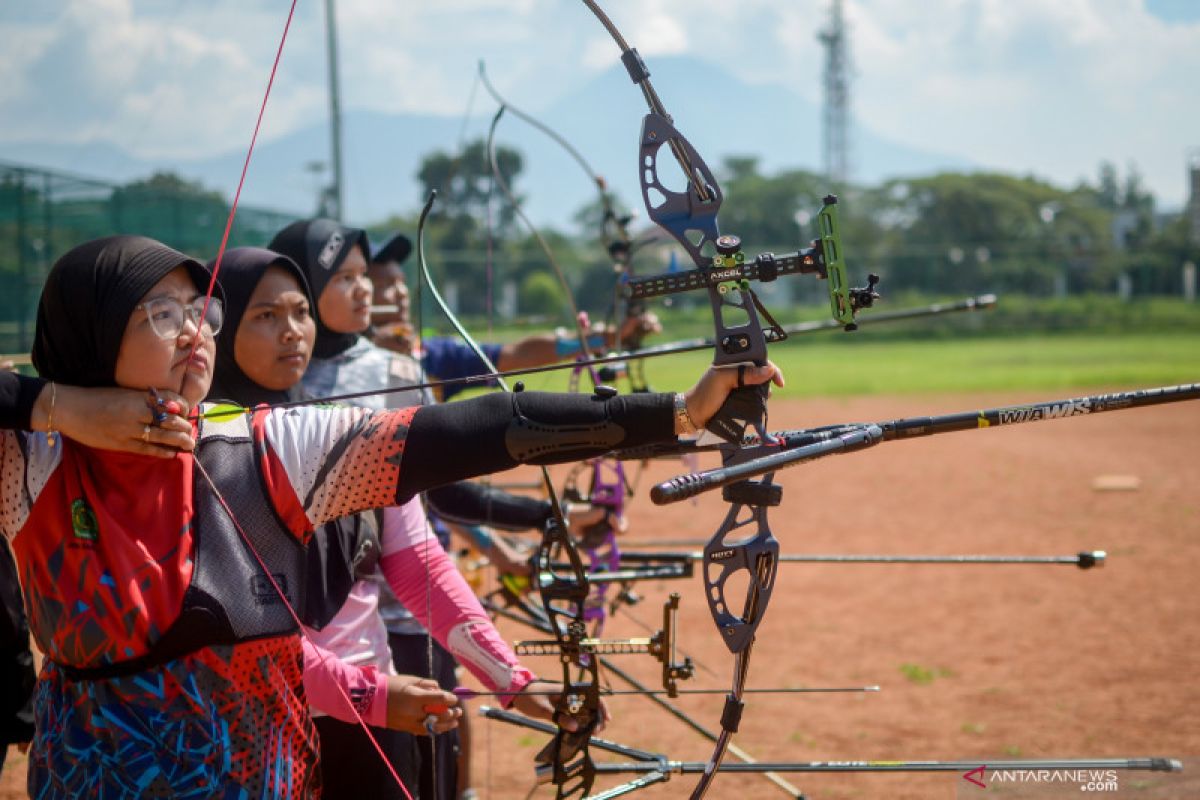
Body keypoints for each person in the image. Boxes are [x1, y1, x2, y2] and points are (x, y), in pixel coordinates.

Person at [0, 234, 779, 798]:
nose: (194, 329)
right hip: (86, 778)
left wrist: (676, 412)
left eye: (196, 308)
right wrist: (56, 406)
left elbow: (465, 433)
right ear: (93, 336)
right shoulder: (31, 465)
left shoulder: (272, 448)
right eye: (159, 313)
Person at [270, 219, 623, 799]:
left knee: (436, 762)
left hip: (382, 637)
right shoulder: (226, 407)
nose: (369, 292)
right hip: (272, 690)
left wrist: (513, 679)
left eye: (369, 277)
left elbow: (424, 511)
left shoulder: (395, 369)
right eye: (346, 278)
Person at [205, 245, 574, 798]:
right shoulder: (195, 450)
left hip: (370, 714)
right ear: (220, 327)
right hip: (253, 726)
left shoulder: (340, 430)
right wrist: (368, 696)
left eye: (300, 312)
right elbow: (239, 630)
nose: (292, 332)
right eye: (265, 316)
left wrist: (508, 679)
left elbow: (415, 559)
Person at [367, 232, 662, 400]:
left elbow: (516, 354)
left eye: (400, 284)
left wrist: (609, 336)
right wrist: (371, 349)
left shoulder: (431, 353)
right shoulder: (327, 364)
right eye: (384, 286)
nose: (400, 294)